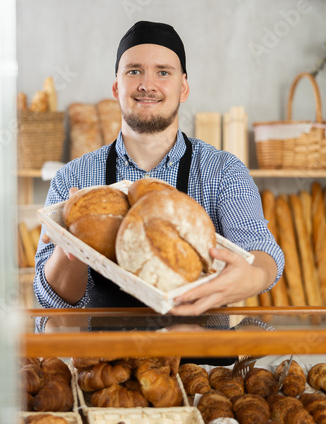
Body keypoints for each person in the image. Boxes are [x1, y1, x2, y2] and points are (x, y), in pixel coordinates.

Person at [34, 20, 284, 316]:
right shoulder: (73, 179)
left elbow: (263, 252)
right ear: (117, 86)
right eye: (134, 71)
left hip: (199, 358)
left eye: (163, 72)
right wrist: (69, 245)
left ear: (184, 88)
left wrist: (253, 276)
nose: (147, 84)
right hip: (106, 358)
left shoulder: (222, 171)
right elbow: (51, 300)